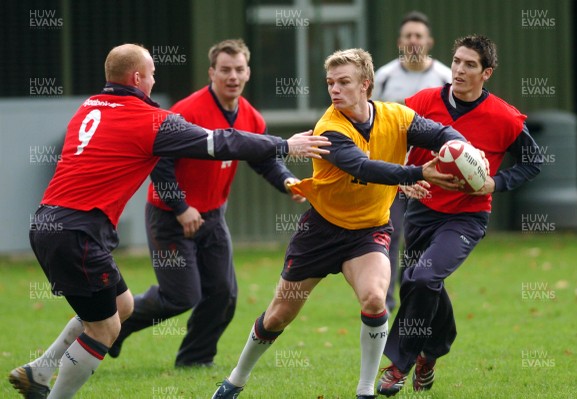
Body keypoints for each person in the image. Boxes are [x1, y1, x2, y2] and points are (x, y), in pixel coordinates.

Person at [8, 43, 329, 399]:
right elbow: (219, 142)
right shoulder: (151, 119)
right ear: (137, 78)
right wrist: (284, 145)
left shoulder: (88, 108)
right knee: (105, 327)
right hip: (79, 232)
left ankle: (39, 371)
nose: (154, 79)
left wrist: (281, 172)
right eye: (152, 73)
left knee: (123, 306)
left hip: (50, 222)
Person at [211, 48, 467, 399]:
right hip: (320, 231)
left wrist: (462, 149)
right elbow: (363, 167)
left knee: (376, 299)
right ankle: (236, 380)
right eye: (330, 82)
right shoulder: (330, 127)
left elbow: (441, 134)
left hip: (369, 231)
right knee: (278, 316)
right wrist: (416, 172)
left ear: (366, 85)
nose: (334, 89)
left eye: (343, 82)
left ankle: (364, 391)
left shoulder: (398, 116)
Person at [108, 39, 305, 367]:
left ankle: (195, 360)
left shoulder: (252, 118)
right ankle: (118, 325)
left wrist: (287, 181)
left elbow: (264, 159)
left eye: (239, 69)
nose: (233, 76)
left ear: (248, 73)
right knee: (180, 296)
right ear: (211, 72)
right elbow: (160, 164)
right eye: (225, 70)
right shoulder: (186, 111)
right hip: (170, 216)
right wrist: (181, 208)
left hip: (213, 217)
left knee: (223, 294)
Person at [376, 35, 542, 396]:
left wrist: (495, 183)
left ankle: (399, 365)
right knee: (420, 282)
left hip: (466, 218)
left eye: (470, 64)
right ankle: (433, 352)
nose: (459, 70)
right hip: (421, 210)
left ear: (487, 73)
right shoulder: (420, 104)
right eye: (456, 62)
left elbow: (533, 161)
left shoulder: (505, 117)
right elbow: (390, 141)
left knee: (422, 279)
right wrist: (403, 181)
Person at [371, 10, 452, 314]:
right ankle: (385, 301)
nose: (414, 41)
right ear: (399, 42)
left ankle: (418, 300)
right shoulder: (384, 77)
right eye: (408, 36)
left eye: (419, 36)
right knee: (388, 236)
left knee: (423, 242)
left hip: (433, 175)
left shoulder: (445, 78)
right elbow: (370, 119)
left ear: (429, 41)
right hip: (393, 174)